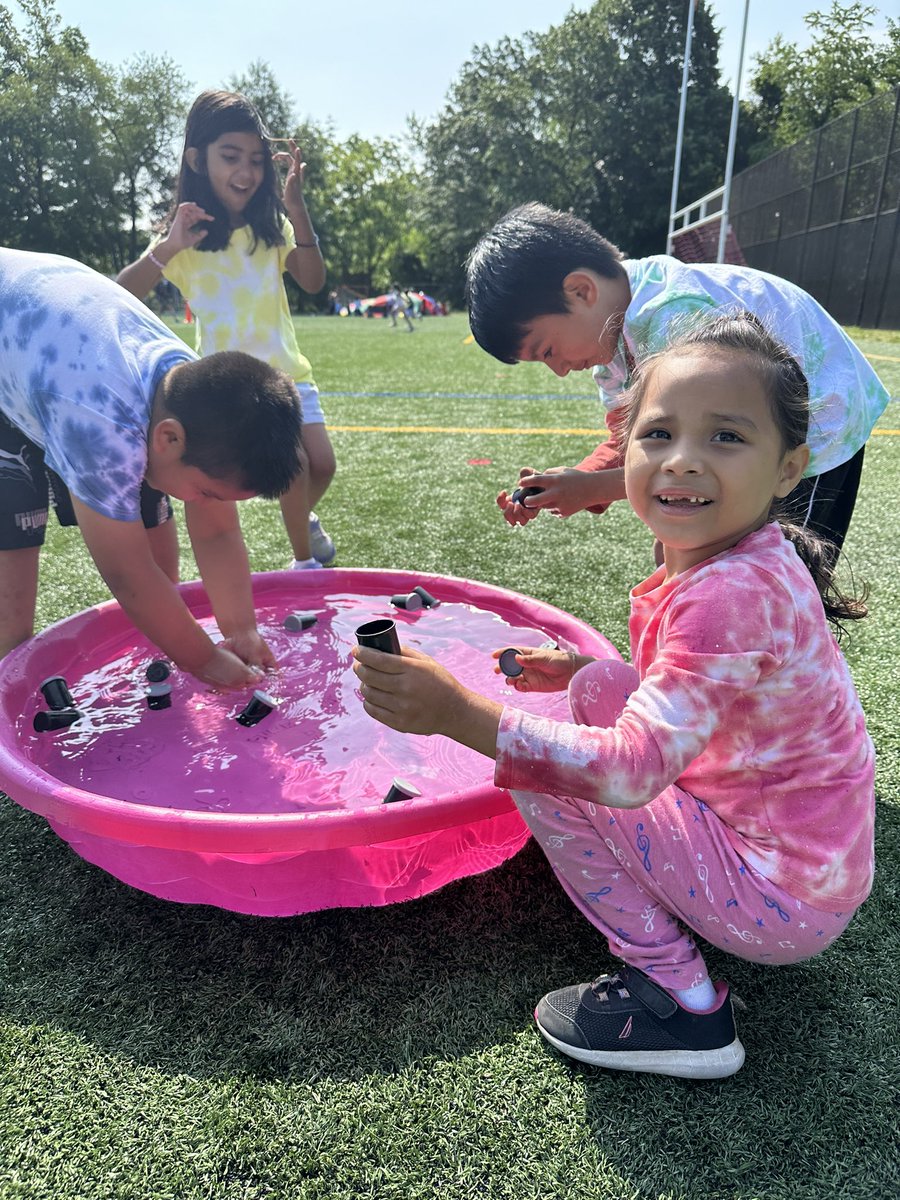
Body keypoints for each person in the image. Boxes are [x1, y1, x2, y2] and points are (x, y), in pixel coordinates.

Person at [352, 315, 875, 1079]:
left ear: (788, 468)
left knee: (541, 761)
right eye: (658, 434)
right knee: (598, 686)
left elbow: (627, 773)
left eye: (726, 437)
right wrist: (574, 672)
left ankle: (681, 1004)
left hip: (783, 900)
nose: (683, 462)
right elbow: (696, 691)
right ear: (626, 446)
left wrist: (457, 713)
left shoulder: (728, 592)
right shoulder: (746, 557)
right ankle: (675, 929)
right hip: (804, 859)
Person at [465, 202, 890, 555]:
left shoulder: (676, 317)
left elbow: (703, 449)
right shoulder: (610, 345)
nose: (558, 370)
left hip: (818, 424)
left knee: (785, 567)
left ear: (581, 291)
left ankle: (792, 651)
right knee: (686, 547)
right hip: (740, 432)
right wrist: (572, 484)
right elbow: (628, 442)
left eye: (548, 351)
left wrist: (591, 487)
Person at [0, 247, 304, 690]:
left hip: (57, 346)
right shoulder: (99, 423)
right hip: (29, 360)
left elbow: (217, 531)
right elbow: (127, 573)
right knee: (13, 552)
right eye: (206, 492)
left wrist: (240, 631)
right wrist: (206, 662)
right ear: (168, 438)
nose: (202, 504)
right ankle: (9, 683)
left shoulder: (187, 388)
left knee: (158, 546)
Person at [117, 89, 336, 570]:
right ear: (197, 158)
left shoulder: (272, 228)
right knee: (294, 465)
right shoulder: (187, 237)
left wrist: (297, 212)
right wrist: (169, 246)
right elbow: (123, 292)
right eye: (230, 157)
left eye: (256, 160)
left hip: (290, 375)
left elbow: (314, 281)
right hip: (228, 389)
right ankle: (304, 564)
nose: (246, 172)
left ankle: (303, 521)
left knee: (322, 466)